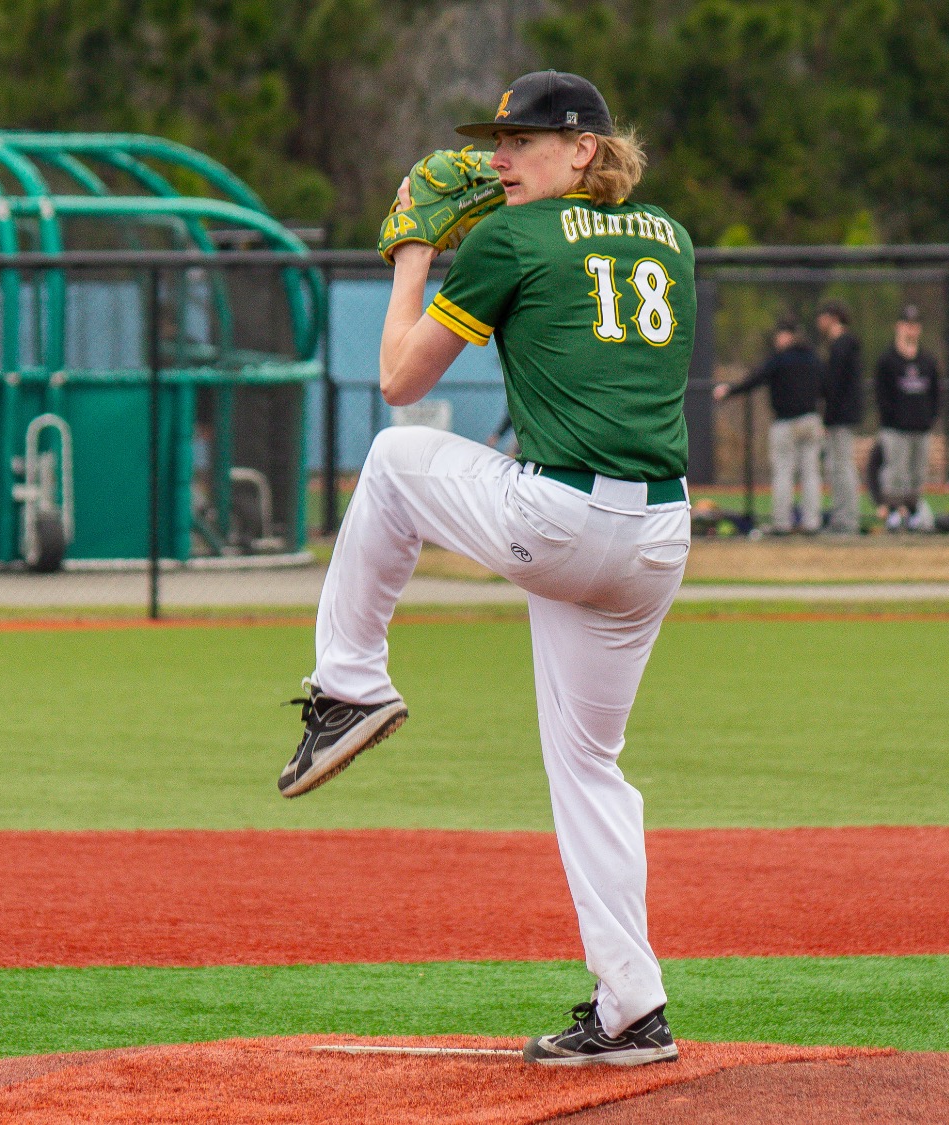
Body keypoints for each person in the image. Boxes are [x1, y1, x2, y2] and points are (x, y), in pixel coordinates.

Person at [281, 71, 691, 1067]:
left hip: (563, 517)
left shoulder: (511, 240)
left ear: (582, 150)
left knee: (391, 457)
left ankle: (348, 686)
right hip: (656, 541)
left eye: (521, 142)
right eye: (496, 140)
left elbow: (396, 379)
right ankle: (631, 1008)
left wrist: (415, 252)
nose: (498, 158)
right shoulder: (669, 238)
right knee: (589, 768)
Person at [713, 321, 825, 533]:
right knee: (810, 474)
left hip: (786, 422)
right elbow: (826, 386)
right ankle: (812, 522)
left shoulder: (780, 359)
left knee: (784, 472)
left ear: (787, 336)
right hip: (811, 420)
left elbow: (755, 378)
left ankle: (782, 523)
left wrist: (730, 391)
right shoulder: (813, 358)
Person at [872, 305, 940, 530]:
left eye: (914, 325)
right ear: (899, 327)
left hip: (920, 428)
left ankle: (912, 514)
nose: (910, 330)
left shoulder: (927, 361)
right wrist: (891, 418)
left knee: (917, 474)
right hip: (895, 429)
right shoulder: (887, 361)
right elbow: (881, 396)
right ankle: (893, 513)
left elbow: (935, 394)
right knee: (895, 472)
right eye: (906, 325)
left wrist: (928, 418)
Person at [816, 302, 864, 534]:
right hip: (840, 416)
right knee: (838, 467)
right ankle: (842, 516)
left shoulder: (843, 345)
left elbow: (836, 387)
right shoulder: (842, 345)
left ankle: (847, 519)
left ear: (833, 318)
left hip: (841, 417)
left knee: (842, 467)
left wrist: (829, 417)